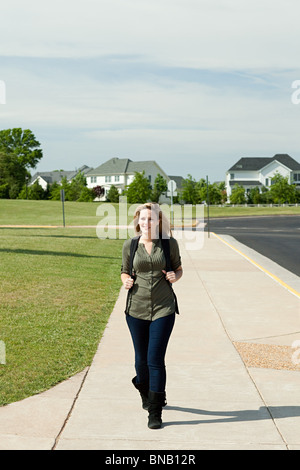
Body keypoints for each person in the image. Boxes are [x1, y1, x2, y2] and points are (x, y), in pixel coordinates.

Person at [121, 202, 183, 429]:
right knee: (141, 361)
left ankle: (155, 412)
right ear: (138, 221)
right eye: (143, 219)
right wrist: (125, 280)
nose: (146, 223)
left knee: (155, 359)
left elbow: (178, 268)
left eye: (151, 219)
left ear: (158, 221)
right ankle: (143, 388)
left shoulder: (169, 244)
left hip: (163, 308)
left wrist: (176, 276)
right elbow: (124, 270)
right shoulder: (130, 244)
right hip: (135, 309)